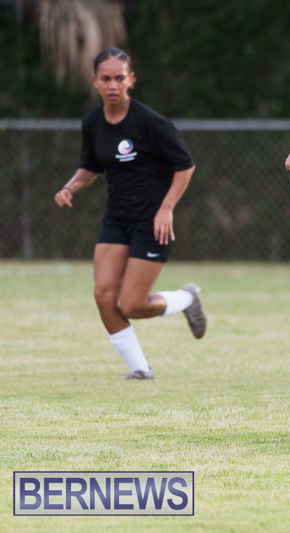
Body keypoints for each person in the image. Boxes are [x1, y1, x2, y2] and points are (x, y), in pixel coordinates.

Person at [54, 47, 207, 379]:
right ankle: (140, 370)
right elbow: (90, 166)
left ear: (131, 80)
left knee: (132, 305)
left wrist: (166, 208)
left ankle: (186, 299)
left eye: (119, 78)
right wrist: (70, 187)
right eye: (106, 78)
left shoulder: (150, 122)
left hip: (152, 222)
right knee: (103, 295)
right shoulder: (93, 122)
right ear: (95, 81)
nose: (113, 84)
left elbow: (185, 165)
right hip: (117, 220)